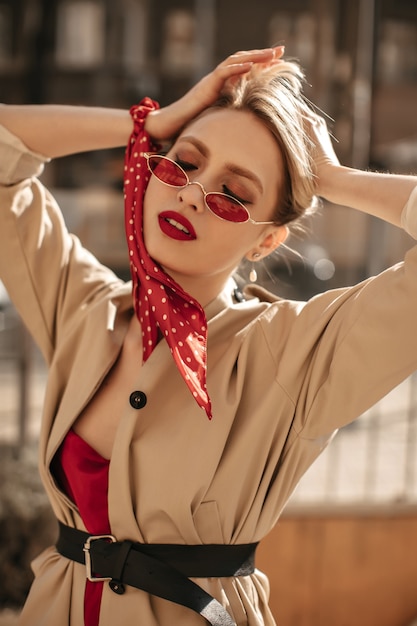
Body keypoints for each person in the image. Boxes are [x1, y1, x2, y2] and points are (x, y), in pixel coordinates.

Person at [0, 46, 416, 626]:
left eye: (235, 195)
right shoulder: (84, 308)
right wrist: (150, 122)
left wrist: (335, 179)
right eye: (182, 163)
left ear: (267, 241)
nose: (193, 192)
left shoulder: (291, 353)